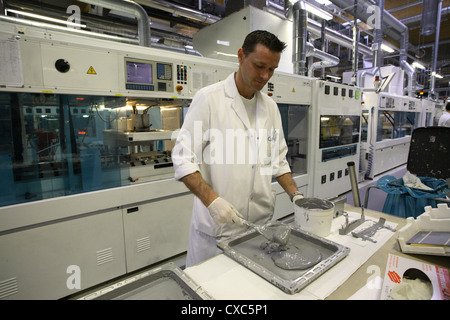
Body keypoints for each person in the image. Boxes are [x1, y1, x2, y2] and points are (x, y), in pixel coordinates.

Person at [172, 30, 304, 267]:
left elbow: (279, 160)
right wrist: (212, 201)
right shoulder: (209, 99)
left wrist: (297, 196)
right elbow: (183, 159)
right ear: (241, 56)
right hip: (219, 228)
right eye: (259, 66)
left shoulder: (270, 107)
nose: (265, 76)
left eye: (271, 69)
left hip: (259, 227)